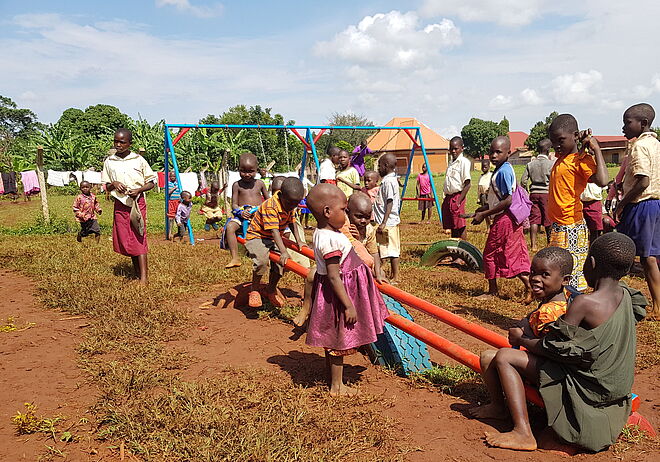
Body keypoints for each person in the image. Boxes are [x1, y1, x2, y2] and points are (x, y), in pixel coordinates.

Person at [469, 233, 647, 452]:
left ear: (590, 263)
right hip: (614, 387)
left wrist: (522, 339)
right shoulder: (628, 296)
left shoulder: (584, 303)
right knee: (490, 356)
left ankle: (523, 432)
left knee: (505, 356)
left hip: (587, 388)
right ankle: (500, 409)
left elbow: (555, 349)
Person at [305, 183, 389, 396]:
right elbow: (334, 275)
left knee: (332, 338)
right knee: (338, 339)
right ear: (327, 212)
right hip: (339, 295)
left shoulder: (325, 232)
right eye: (343, 210)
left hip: (338, 291)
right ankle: (337, 386)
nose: (346, 214)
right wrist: (349, 305)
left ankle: (332, 377)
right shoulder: (330, 240)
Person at [293, 192, 379, 328]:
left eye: (367, 217)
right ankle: (306, 307)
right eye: (358, 216)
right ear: (348, 213)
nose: (363, 221)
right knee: (311, 276)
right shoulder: (338, 226)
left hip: (356, 268)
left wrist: (378, 272)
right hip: (338, 267)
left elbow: (373, 253)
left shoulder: (369, 230)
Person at [547, 114, 609, 292]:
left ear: (574, 135)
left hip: (571, 226)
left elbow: (603, 180)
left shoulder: (580, 160)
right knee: (559, 269)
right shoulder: (562, 158)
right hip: (559, 225)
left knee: (571, 272)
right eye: (553, 141)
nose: (556, 145)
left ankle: (574, 309)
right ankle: (562, 305)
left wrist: (596, 149)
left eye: (561, 140)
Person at [472, 136, 531, 302]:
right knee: (513, 252)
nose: (494, 155)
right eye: (492, 152)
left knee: (490, 254)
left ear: (508, 153)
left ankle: (493, 290)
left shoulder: (503, 172)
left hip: (504, 219)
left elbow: (507, 200)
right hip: (509, 217)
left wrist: (484, 214)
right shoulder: (504, 168)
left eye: (498, 152)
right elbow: (499, 198)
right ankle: (529, 287)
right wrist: (484, 209)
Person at [615, 103, 660, 319]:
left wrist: (622, 204)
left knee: (623, 254)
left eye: (627, 122)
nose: (624, 127)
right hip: (655, 206)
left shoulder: (639, 147)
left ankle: (616, 303)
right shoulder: (657, 144)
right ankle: (657, 306)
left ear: (643, 124)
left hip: (641, 205)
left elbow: (643, 182)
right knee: (648, 257)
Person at [101, 128, 156, 284]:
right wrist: (114, 184)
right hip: (120, 204)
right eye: (116, 141)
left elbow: (152, 182)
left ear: (129, 143)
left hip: (137, 203)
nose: (118, 145)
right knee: (126, 239)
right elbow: (106, 186)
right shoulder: (109, 162)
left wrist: (138, 190)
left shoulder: (138, 160)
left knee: (138, 235)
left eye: (122, 142)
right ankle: (136, 273)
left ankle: (144, 278)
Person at [244, 177, 305, 308]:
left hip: (272, 238)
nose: (292, 207)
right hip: (258, 236)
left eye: (296, 204)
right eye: (290, 203)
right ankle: (254, 290)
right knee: (261, 260)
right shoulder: (271, 206)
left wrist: (299, 240)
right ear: (281, 195)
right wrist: (283, 251)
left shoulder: (291, 203)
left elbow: (292, 222)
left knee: (280, 265)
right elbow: (274, 232)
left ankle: (271, 289)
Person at [224, 153, 269, 269]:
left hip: (258, 215)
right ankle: (235, 258)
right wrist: (240, 212)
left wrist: (260, 209)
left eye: (251, 171)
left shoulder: (260, 184)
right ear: (238, 169)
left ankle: (270, 254)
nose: (247, 174)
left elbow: (268, 201)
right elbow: (234, 203)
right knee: (230, 227)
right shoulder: (237, 185)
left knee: (272, 228)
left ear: (256, 170)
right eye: (243, 171)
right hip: (242, 215)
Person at [521, 138, 553, 251]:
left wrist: (528, 191)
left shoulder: (530, 164)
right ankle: (549, 243)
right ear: (548, 150)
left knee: (534, 219)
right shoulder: (551, 164)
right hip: (546, 194)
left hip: (534, 193)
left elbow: (523, 181)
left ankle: (533, 245)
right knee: (548, 219)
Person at [374, 153, 401, 284]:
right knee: (383, 247)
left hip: (389, 223)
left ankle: (396, 276)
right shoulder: (386, 181)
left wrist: (384, 222)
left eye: (379, 166)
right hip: (383, 222)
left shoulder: (389, 182)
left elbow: (390, 202)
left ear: (385, 166)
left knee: (393, 249)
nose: (378, 168)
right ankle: (381, 271)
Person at [442, 137, 471, 239]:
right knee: (452, 225)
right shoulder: (451, 163)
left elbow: (467, 184)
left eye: (456, 148)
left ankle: (464, 249)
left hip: (458, 196)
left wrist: (459, 200)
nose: (453, 151)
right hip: (449, 197)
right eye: (451, 148)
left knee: (460, 225)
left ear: (462, 148)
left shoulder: (463, 162)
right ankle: (455, 250)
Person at [166, 171, 180, 240]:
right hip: (171, 202)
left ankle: (179, 233)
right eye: (171, 176)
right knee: (171, 217)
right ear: (169, 177)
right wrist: (174, 188)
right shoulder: (168, 184)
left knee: (179, 217)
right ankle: (170, 233)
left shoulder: (178, 183)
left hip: (178, 202)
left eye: (174, 176)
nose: (173, 177)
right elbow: (168, 192)